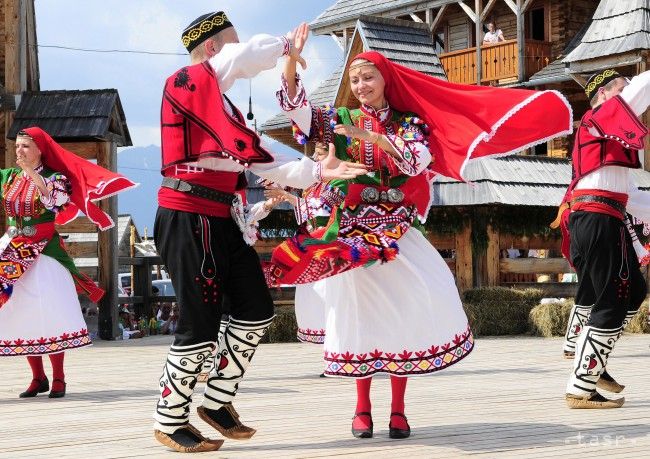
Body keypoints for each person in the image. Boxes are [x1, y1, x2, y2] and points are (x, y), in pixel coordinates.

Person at [268, 44, 572, 439]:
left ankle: (398, 410)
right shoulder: (340, 118)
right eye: (355, 80)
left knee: (404, 313)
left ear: (385, 79)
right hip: (355, 235)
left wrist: (371, 138)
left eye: (368, 77)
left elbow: (416, 161)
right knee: (360, 315)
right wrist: (290, 63)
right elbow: (301, 114)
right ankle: (362, 408)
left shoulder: (407, 122)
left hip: (396, 231)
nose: (361, 85)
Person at [152, 12, 367, 453]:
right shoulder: (184, 83)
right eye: (231, 44)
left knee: (255, 308)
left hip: (220, 217)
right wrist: (284, 47)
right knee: (199, 324)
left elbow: (260, 156)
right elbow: (245, 58)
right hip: (189, 214)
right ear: (213, 49)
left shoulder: (223, 107)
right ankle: (170, 419)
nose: (239, 50)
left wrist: (316, 171)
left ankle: (215, 402)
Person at [0, 127, 136, 398]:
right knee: (20, 310)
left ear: (41, 149)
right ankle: (38, 377)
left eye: (26, 146)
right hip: (13, 247)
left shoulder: (56, 179)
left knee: (50, 311)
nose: (20, 151)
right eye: (17, 147)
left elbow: (55, 202)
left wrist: (32, 175)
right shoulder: (8, 177)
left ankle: (59, 378)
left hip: (44, 252)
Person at [552, 68, 650, 409]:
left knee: (634, 290)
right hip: (597, 218)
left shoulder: (603, 141)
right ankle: (581, 386)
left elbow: (633, 197)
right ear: (605, 95)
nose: (630, 96)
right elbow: (642, 87)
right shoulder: (600, 116)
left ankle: (593, 362)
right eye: (621, 88)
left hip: (599, 216)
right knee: (612, 297)